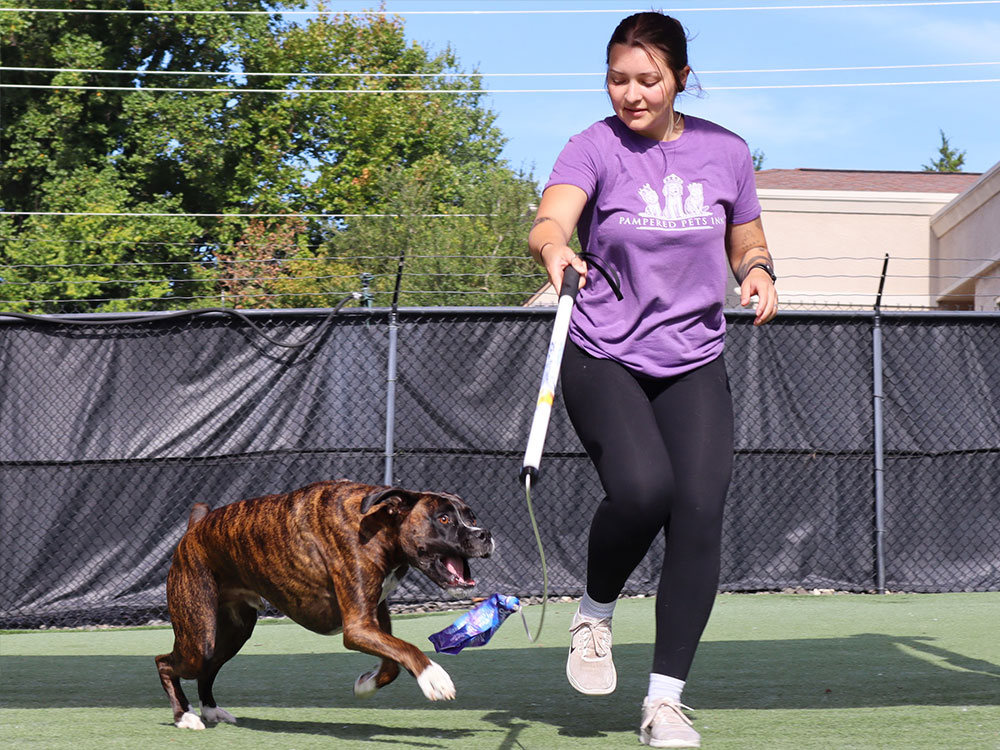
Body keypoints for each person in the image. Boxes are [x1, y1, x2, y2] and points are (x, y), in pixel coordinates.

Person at [528, 11, 778, 748]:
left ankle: (663, 703)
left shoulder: (724, 151)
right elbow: (550, 219)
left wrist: (757, 271)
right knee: (643, 491)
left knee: (699, 514)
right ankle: (595, 611)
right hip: (603, 350)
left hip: (693, 358)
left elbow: (748, 233)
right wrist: (555, 251)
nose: (630, 94)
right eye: (617, 79)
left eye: (647, 79)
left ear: (679, 79)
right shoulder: (594, 145)